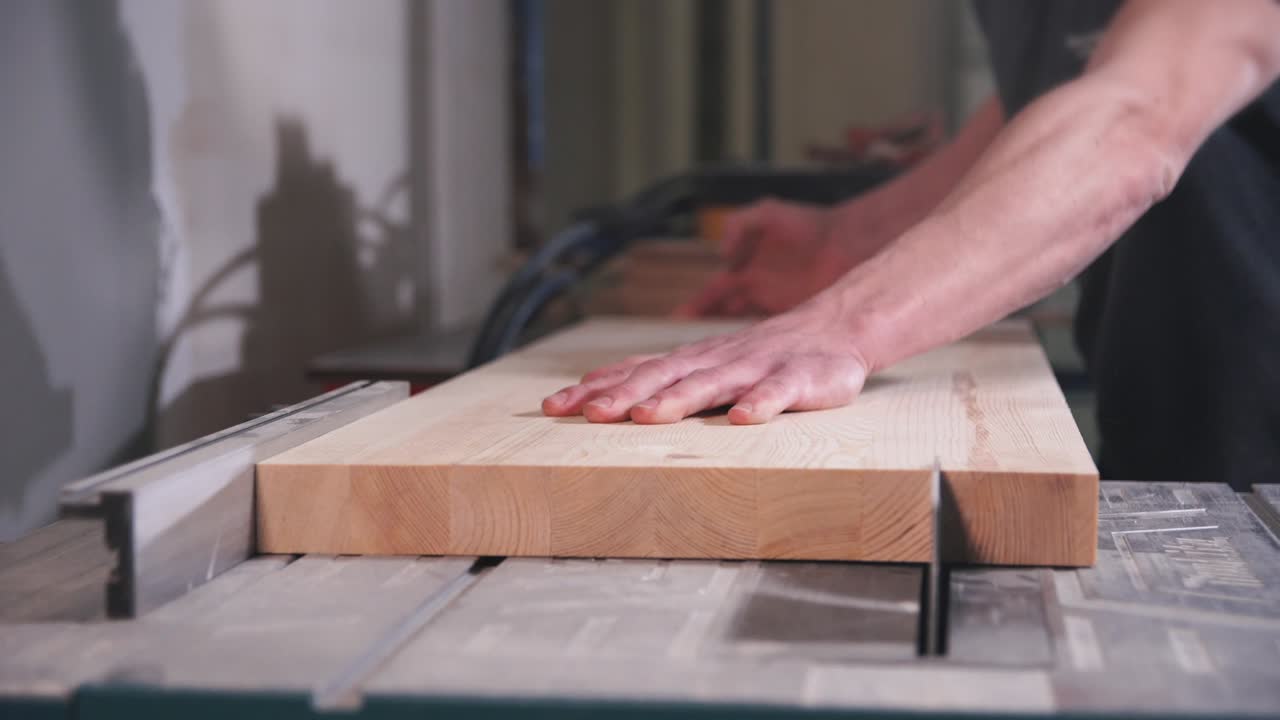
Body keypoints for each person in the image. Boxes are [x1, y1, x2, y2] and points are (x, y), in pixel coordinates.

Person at [543, 0, 1280, 490]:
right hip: (1176, 419)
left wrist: (844, 325)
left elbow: (1136, 116)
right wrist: (847, 240)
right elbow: (1063, 87)